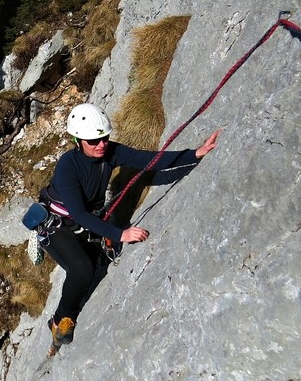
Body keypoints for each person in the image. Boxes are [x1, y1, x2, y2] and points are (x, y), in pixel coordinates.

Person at [38, 103, 220, 355]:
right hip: (57, 227)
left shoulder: (110, 152)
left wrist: (195, 154)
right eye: (93, 141)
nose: (101, 144)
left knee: (95, 266)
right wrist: (120, 234)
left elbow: (149, 160)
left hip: (84, 223)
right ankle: (59, 320)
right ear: (77, 140)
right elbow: (78, 213)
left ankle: (62, 319)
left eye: (104, 138)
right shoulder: (68, 166)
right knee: (82, 269)